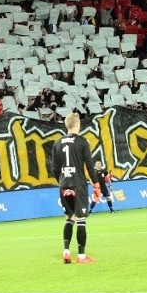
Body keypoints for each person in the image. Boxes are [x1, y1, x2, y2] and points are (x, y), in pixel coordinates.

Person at [51, 112, 98, 264]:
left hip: (64, 184)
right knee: (81, 220)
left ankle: (66, 251)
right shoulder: (83, 142)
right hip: (79, 184)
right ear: (78, 125)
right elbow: (89, 165)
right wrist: (96, 184)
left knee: (69, 218)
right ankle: (81, 256)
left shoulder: (57, 143)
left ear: (66, 125)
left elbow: (54, 169)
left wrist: (62, 181)